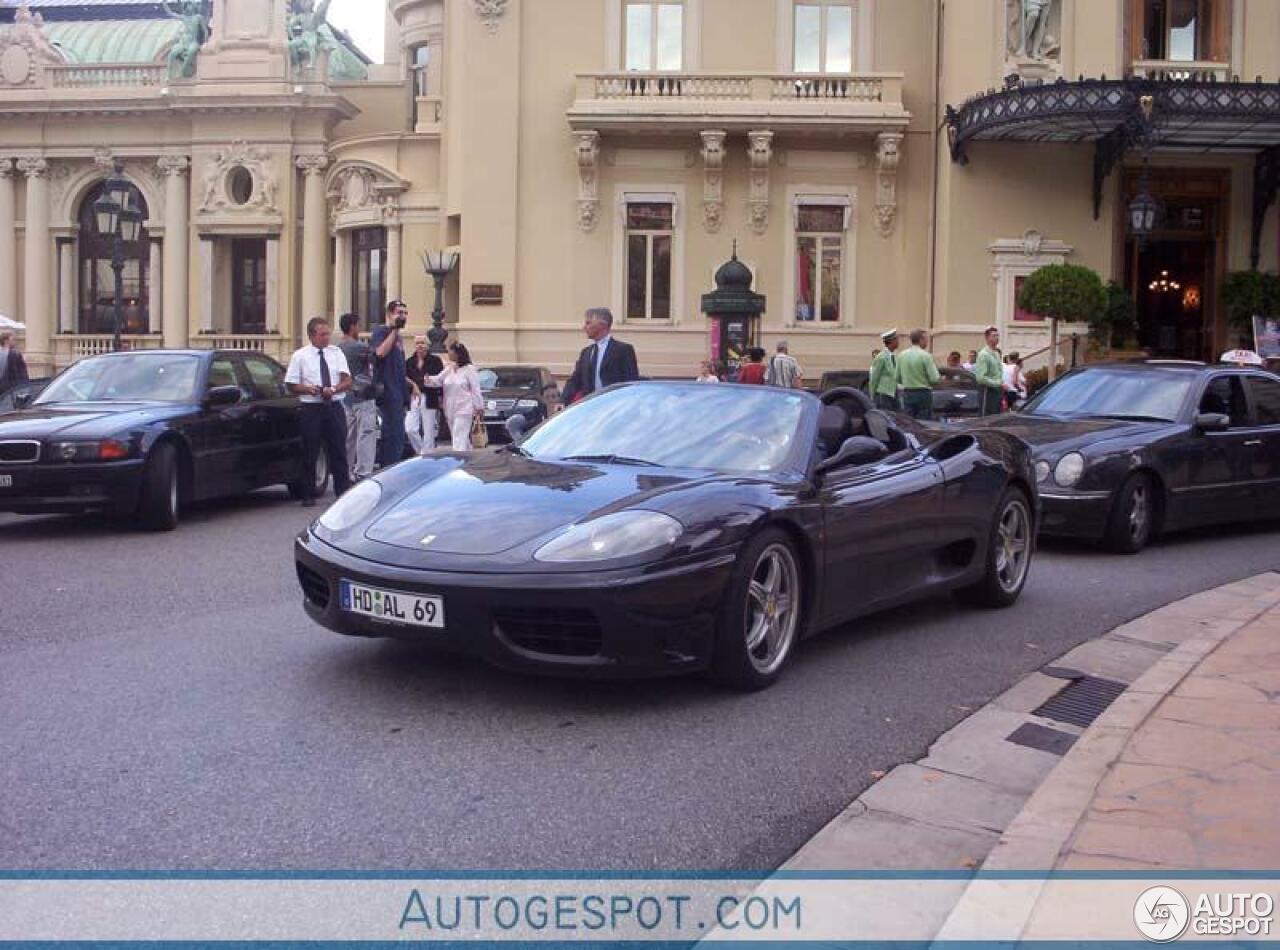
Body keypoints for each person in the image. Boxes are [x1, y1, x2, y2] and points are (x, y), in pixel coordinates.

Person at [285, 317, 353, 508]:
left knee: (339, 449)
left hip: (333, 405)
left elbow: (347, 380)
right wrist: (309, 389)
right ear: (312, 335)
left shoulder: (336, 353)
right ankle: (308, 493)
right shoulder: (300, 356)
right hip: (311, 407)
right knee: (310, 450)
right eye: (322, 334)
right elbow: (291, 384)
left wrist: (334, 388)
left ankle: (342, 491)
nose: (326, 338)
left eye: (327, 334)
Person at [563, 307, 640, 403]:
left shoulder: (623, 350)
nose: (584, 327)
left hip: (615, 405)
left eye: (588, 323)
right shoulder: (586, 353)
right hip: (591, 406)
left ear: (602, 324)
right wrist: (562, 400)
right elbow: (575, 380)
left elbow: (631, 382)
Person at [337, 313, 377, 481]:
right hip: (362, 395)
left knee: (348, 435)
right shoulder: (358, 347)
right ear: (352, 326)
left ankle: (346, 470)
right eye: (358, 325)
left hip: (344, 396)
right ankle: (363, 471)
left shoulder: (338, 347)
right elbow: (377, 356)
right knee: (366, 433)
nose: (360, 329)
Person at [425, 341, 486, 451]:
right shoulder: (449, 369)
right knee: (459, 436)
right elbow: (438, 380)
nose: (448, 354)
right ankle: (468, 460)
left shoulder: (469, 370)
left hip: (464, 408)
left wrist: (479, 406)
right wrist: (427, 379)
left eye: (450, 352)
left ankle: (457, 460)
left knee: (459, 437)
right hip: (450, 408)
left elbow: (475, 389)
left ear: (457, 354)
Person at [370, 299, 409, 467]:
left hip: (399, 393)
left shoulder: (399, 338)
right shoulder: (382, 332)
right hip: (388, 392)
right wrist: (393, 330)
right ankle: (387, 467)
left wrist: (411, 387)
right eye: (399, 313)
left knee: (399, 435)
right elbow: (379, 353)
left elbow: (400, 368)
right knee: (391, 434)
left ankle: (395, 465)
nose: (403, 317)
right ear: (389, 314)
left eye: (405, 313)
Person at [406, 335, 444, 455]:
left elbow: (441, 380)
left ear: (428, 345)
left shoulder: (435, 361)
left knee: (429, 430)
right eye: (417, 343)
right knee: (410, 428)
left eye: (422, 343)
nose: (420, 345)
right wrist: (413, 386)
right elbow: (405, 378)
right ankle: (422, 452)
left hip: (430, 396)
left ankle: (428, 453)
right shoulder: (409, 361)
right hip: (414, 397)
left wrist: (441, 398)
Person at [896, 329, 940, 421]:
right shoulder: (925, 356)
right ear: (921, 340)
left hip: (907, 392)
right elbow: (934, 378)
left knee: (908, 421)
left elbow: (897, 377)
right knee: (923, 422)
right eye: (926, 339)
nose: (927, 342)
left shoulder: (901, 355)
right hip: (923, 393)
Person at [974, 326, 1005, 416]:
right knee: (986, 417)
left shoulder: (996, 353)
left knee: (996, 416)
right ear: (987, 338)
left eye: (997, 336)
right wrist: (996, 383)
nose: (997, 338)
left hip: (997, 390)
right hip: (987, 390)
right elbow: (980, 378)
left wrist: (1000, 384)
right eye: (994, 336)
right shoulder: (983, 355)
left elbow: (998, 371)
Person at [869, 329, 901, 411]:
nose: (898, 342)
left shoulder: (894, 356)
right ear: (891, 341)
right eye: (896, 339)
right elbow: (874, 377)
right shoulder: (881, 357)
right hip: (884, 393)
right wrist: (872, 396)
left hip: (894, 392)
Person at [0, 330, 29, 396]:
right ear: (6, 341)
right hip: (11, 388)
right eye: (12, 340)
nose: (14, 342)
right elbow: (22, 373)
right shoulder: (15, 354)